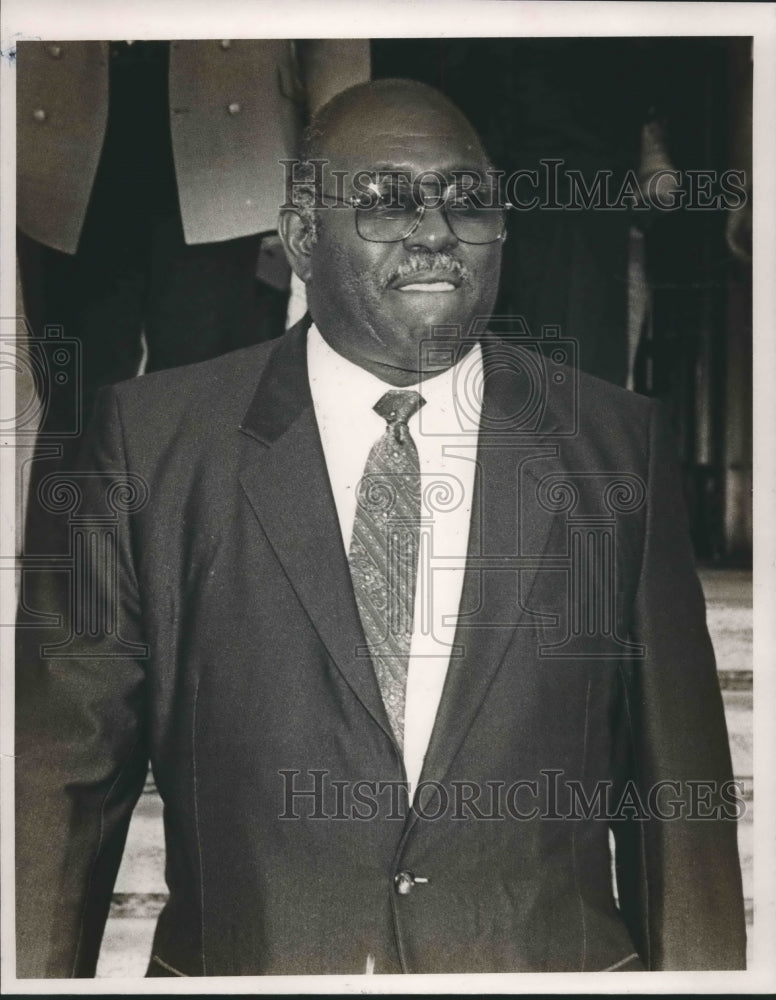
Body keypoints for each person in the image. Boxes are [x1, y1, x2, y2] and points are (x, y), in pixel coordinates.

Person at [16, 79, 746, 978]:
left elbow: (682, 800)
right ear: (298, 239)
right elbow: (56, 794)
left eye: (467, 200)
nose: (436, 231)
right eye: (385, 201)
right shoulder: (147, 448)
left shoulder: (613, 448)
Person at [16, 38, 369, 556]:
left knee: (219, 409)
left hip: (234, 136)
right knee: (76, 410)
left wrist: (338, 168)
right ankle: (71, 618)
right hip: (67, 140)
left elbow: (333, 35)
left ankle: (209, 617)